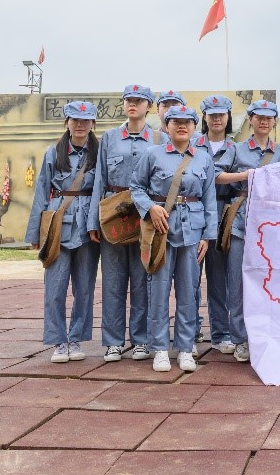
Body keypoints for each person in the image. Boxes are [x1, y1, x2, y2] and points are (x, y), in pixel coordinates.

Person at [130, 105, 218, 373]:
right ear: (166, 126)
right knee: (158, 291)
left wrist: (207, 236)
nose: (182, 126)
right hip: (161, 231)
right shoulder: (152, 154)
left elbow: (210, 200)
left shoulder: (203, 158)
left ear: (194, 127)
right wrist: (150, 208)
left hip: (192, 233)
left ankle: (185, 347)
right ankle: (159, 349)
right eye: (175, 122)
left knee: (189, 292)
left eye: (187, 122)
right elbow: (136, 187)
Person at [214, 99, 280, 363]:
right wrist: (244, 176)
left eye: (269, 118)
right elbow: (216, 175)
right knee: (236, 283)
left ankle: (266, 335)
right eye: (259, 117)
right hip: (239, 223)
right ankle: (239, 339)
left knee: (266, 283)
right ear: (250, 119)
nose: (264, 122)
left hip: (269, 227)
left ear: (274, 122)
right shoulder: (236, 150)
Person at [89, 85, 161, 363]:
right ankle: (113, 342)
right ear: (123, 105)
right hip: (114, 214)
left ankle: (141, 341)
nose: (133, 105)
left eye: (139, 101)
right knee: (113, 281)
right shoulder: (109, 138)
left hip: (144, 216)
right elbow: (99, 179)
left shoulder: (158, 138)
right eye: (129, 101)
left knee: (143, 280)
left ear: (148, 107)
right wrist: (92, 221)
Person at [24, 101, 100, 364]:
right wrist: (35, 233)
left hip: (88, 228)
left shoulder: (98, 153)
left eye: (85, 120)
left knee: (85, 288)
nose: (80, 125)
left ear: (93, 124)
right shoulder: (53, 153)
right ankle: (58, 341)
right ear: (66, 123)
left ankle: (76, 337)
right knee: (55, 288)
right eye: (75, 120)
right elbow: (42, 192)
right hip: (58, 224)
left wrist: (97, 224)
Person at [193, 94, 237, 356]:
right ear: (205, 118)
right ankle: (191, 331)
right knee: (190, 277)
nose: (217, 118)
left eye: (222, 114)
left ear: (229, 117)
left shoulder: (236, 149)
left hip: (223, 213)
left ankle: (221, 333)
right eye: (212, 114)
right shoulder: (192, 145)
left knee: (219, 279)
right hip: (195, 212)